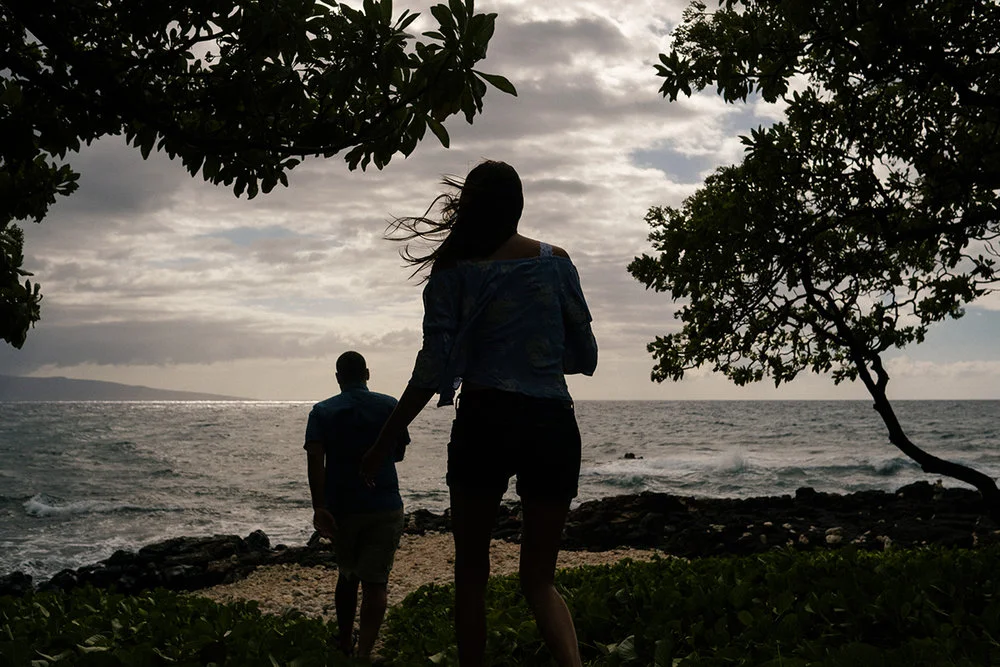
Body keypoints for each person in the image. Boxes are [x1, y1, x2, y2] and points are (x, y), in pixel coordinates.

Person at [361, 160, 598, 667]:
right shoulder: (557, 263)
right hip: (551, 423)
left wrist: (384, 441)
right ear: (518, 207)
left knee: (471, 576)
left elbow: (430, 370)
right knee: (540, 581)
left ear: (467, 208)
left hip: (485, 421)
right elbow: (587, 358)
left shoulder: (453, 273)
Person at [305, 351, 409, 660]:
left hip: (342, 507)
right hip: (385, 504)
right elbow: (398, 452)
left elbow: (315, 460)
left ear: (338, 378)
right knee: (376, 583)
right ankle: (364, 651)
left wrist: (319, 506)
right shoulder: (390, 406)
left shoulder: (322, 412)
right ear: (367, 373)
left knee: (347, 575)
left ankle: (344, 641)